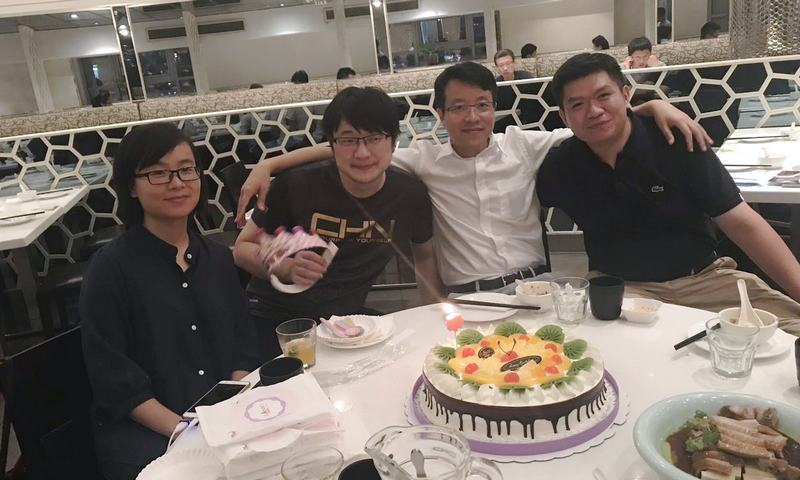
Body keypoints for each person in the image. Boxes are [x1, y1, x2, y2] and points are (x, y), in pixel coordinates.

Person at [235, 62, 710, 296]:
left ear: (494, 109)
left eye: (482, 105)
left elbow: (596, 123)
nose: (472, 117)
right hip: (471, 300)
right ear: (440, 114)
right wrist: (271, 164)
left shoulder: (523, 145)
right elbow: (359, 149)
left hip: (538, 288)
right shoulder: (423, 159)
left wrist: (650, 105)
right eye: (458, 107)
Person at [537, 52, 800, 331]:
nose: (594, 111)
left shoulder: (677, 138)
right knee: (607, 350)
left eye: (604, 96)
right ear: (564, 116)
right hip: (622, 290)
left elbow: (742, 224)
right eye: (578, 104)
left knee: (789, 329)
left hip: (705, 280)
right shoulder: (562, 166)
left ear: (625, 95)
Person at [80, 123, 260, 479]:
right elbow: (116, 382)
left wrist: (233, 409)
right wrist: (189, 433)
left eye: (186, 169)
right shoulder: (110, 270)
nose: (177, 183)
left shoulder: (218, 259)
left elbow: (243, 346)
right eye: (158, 173)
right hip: (149, 435)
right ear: (131, 186)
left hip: (222, 422)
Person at [233, 87, 438, 360]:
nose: (362, 153)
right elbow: (241, 248)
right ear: (332, 144)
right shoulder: (296, 185)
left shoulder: (409, 194)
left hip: (343, 322)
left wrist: (434, 319)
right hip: (277, 320)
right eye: (348, 140)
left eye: (374, 138)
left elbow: (424, 257)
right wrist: (286, 266)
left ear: (392, 142)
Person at [493, 49, 534, 133]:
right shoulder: (496, 85)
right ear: (497, 68)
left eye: (508, 64)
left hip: (530, 119)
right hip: (507, 123)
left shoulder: (526, 77)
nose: (505, 68)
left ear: (514, 63)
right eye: (501, 65)